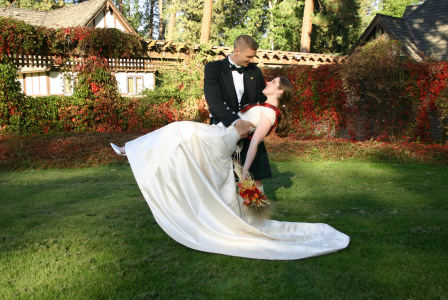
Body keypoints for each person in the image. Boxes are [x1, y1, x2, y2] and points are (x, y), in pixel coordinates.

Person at [111, 76, 349, 260]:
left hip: (221, 140)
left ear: (279, 91)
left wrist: (245, 171)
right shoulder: (263, 106)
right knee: (177, 134)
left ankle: (129, 151)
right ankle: (131, 152)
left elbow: (255, 142)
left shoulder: (268, 113)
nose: (267, 82)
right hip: (219, 134)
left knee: (177, 130)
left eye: (273, 82)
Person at [204, 35, 270, 191]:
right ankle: (224, 212)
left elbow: (262, 100)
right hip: (223, 129)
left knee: (253, 175)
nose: (251, 60)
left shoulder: (255, 72)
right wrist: (236, 121)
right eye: (249, 56)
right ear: (237, 51)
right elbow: (214, 100)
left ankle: (256, 213)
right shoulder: (214, 68)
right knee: (222, 175)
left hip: (250, 131)